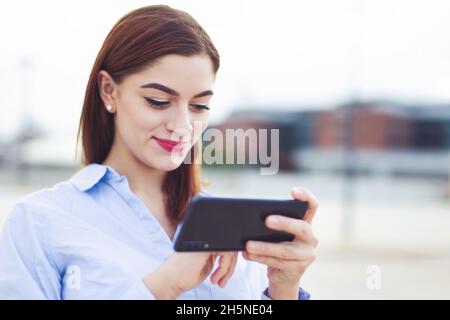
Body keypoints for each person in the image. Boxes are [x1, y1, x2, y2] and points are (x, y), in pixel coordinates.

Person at [0, 5, 318, 300]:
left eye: (199, 106)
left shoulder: (228, 223)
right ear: (109, 90)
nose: (182, 126)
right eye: (158, 101)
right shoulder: (39, 222)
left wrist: (283, 288)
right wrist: (163, 285)